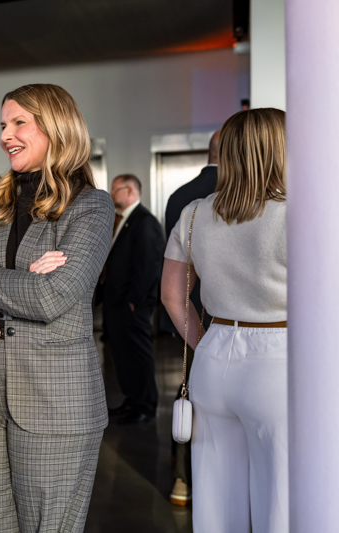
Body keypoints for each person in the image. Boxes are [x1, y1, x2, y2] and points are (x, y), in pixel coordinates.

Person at [0, 84, 113, 533]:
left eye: (19, 123)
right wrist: (22, 280)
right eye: (2, 125)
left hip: (53, 397)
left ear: (56, 127)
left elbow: (53, 297)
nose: (5, 135)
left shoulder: (90, 207)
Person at [161, 108, 287, 533]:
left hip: (215, 358)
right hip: (279, 359)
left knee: (215, 502)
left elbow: (172, 294)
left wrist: (209, 344)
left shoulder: (195, 213)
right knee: (280, 499)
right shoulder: (298, 213)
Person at [162, 128, 220, 506]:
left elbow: (171, 279)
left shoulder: (180, 198)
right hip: (225, 319)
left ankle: (182, 482)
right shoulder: (260, 195)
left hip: (189, 315)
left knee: (187, 396)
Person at [101, 174, 165, 424]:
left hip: (132, 305)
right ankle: (132, 399)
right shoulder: (125, 221)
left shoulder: (144, 221)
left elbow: (148, 265)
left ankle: (145, 405)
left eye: (115, 189)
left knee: (138, 355)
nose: (111, 193)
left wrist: (134, 301)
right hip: (119, 303)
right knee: (123, 355)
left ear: (129, 191)